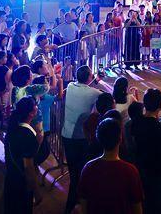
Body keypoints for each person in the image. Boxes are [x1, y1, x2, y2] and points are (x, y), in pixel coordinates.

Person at [78, 117, 145, 214]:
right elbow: (137, 208)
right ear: (120, 139)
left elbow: (84, 205)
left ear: (99, 138)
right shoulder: (131, 171)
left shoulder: (88, 168)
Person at [61, 65, 104, 213]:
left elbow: (85, 89)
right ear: (88, 77)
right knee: (79, 175)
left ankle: (75, 202)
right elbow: (102, 96)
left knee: (74, 171)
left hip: (66, 134)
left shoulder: (71, 86)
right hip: (79, 138)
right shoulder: (94, 93)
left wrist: (95, 80)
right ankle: (72, 205)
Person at [131, 88, 161, 214]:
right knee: (157, 204)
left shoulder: (136, 122)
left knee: (144, 201)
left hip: (141, 167)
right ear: (160, 106)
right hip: (158, 170)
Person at [5, 96, 40, 214]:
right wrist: (37, 192)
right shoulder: (28, 135)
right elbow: (28, 167)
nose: (37, 107)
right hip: (21, 183)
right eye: (35, 105)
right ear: (31, 113)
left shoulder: (13, 128)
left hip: (11, 178)